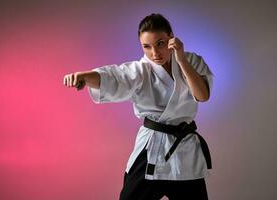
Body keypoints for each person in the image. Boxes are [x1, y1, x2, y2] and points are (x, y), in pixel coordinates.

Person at [63, 13, 214, 200]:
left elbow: (202, 95)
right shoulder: (141, 70)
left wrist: (181, 60)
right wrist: (84, 76)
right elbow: (115, 76)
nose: (155, 54)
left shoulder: (191, 61)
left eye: (160, 43)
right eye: (147, 47)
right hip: (152, 149)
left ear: (171, 38)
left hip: (185, 149)